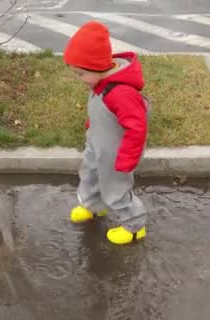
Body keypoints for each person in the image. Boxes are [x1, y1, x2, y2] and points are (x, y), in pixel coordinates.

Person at [63, 21, 151, 245]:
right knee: (90, 175)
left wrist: (127, 159)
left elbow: (137, 128)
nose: (79, 79)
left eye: (81, 74)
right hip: (97, 144)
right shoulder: (99, 84)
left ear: (98, 67)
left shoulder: (120, 93)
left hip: (116, 154)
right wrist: (90, 130)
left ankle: (133, 227)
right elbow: (99, 114)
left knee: (115, 187)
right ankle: (93, 207)